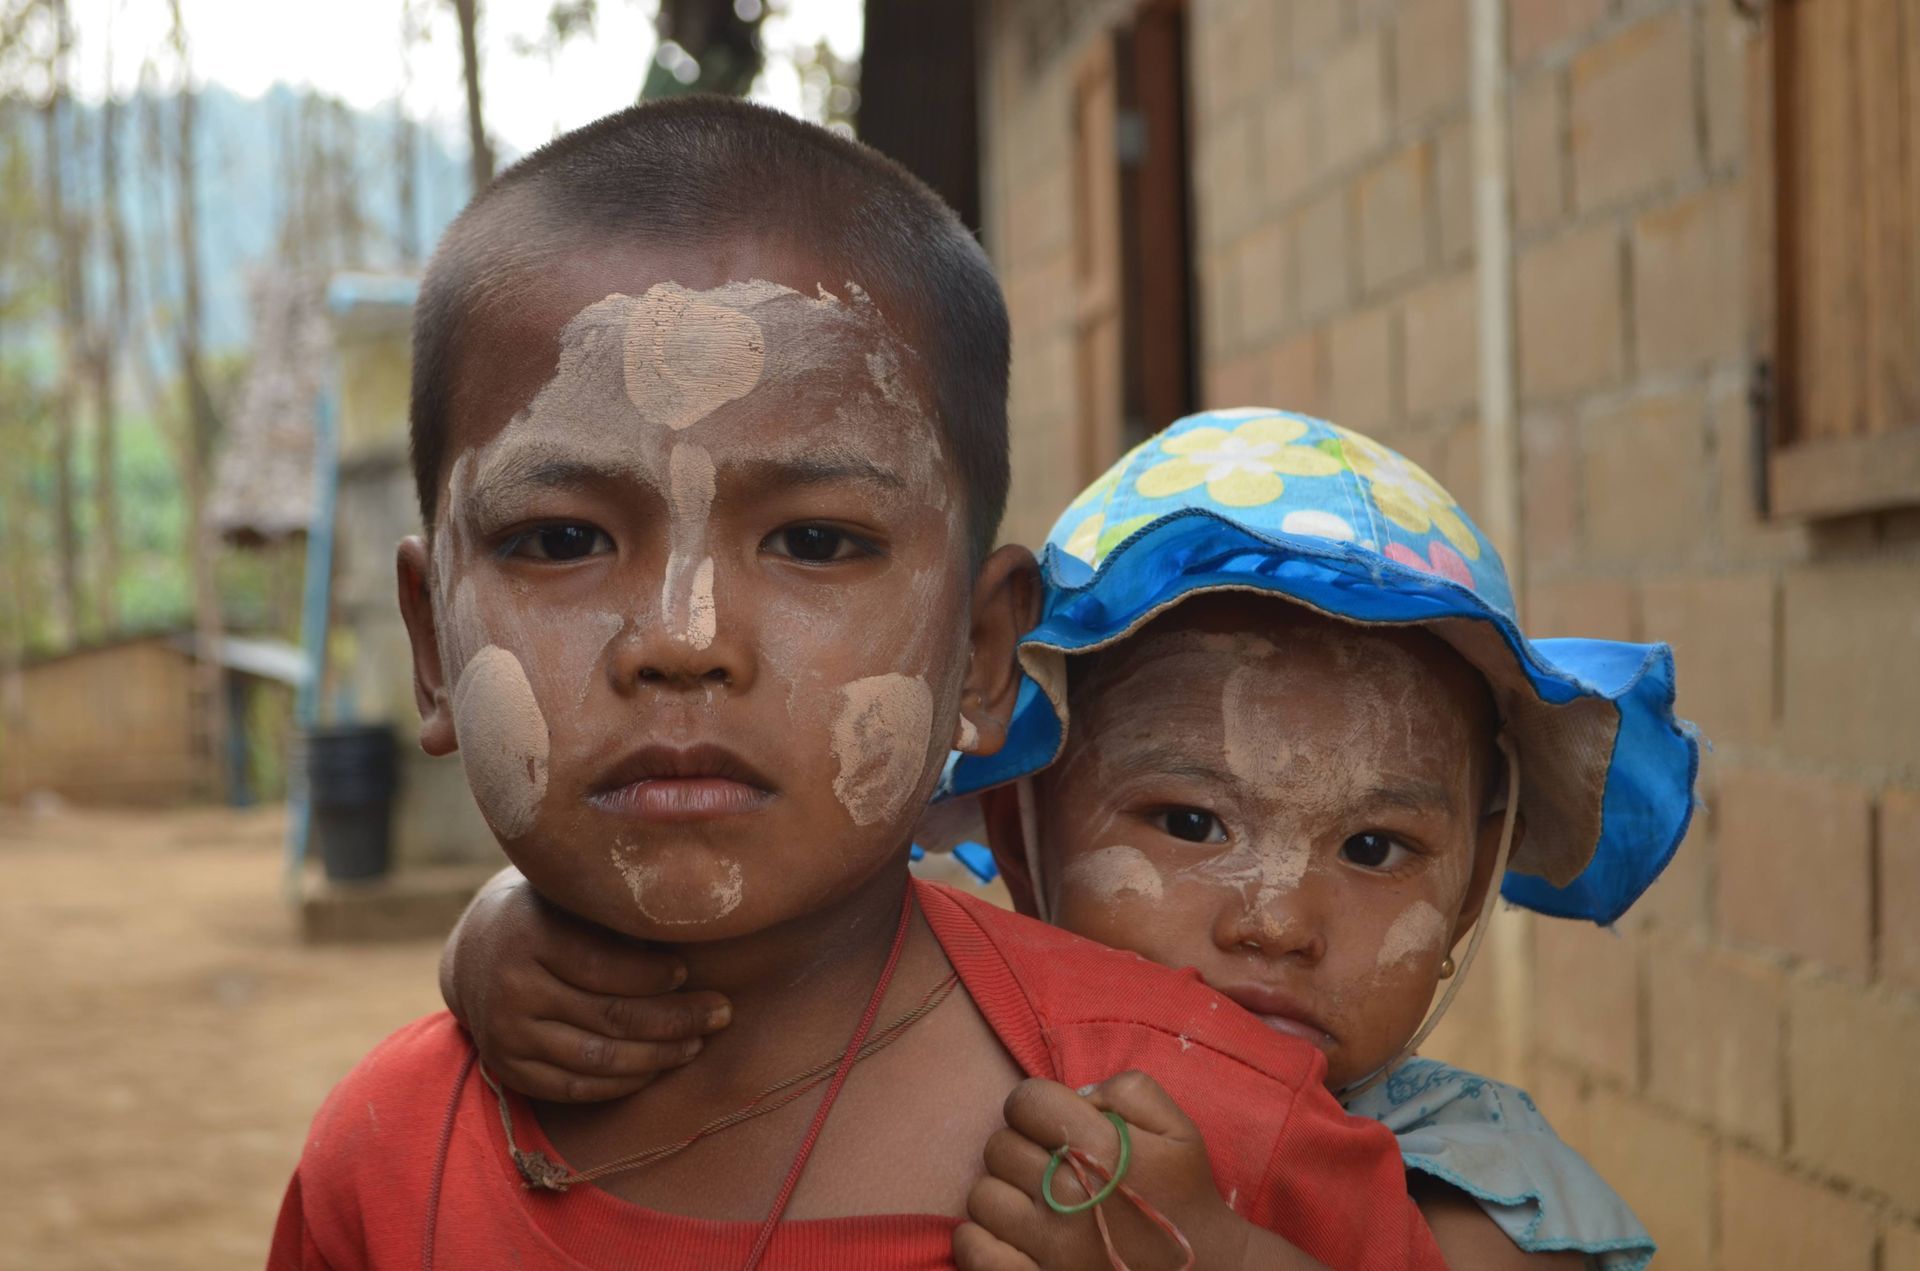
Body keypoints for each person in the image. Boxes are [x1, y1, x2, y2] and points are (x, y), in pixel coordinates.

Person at [269, 103, 1445, 1271]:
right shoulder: (382, 1169)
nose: (684, 638)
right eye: (562, 538)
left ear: (980, 652)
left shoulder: (1207, 1146)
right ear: (433, 645)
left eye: (818, 543)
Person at [446, 409, 1697, 1270]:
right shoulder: (928, 987)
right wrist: (507, 935)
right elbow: (726, 938)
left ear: (1477, 877)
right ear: (1020, 826)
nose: (1276, 917)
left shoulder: (1475, 1184)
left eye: (1375, 848)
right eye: (1190, 821)